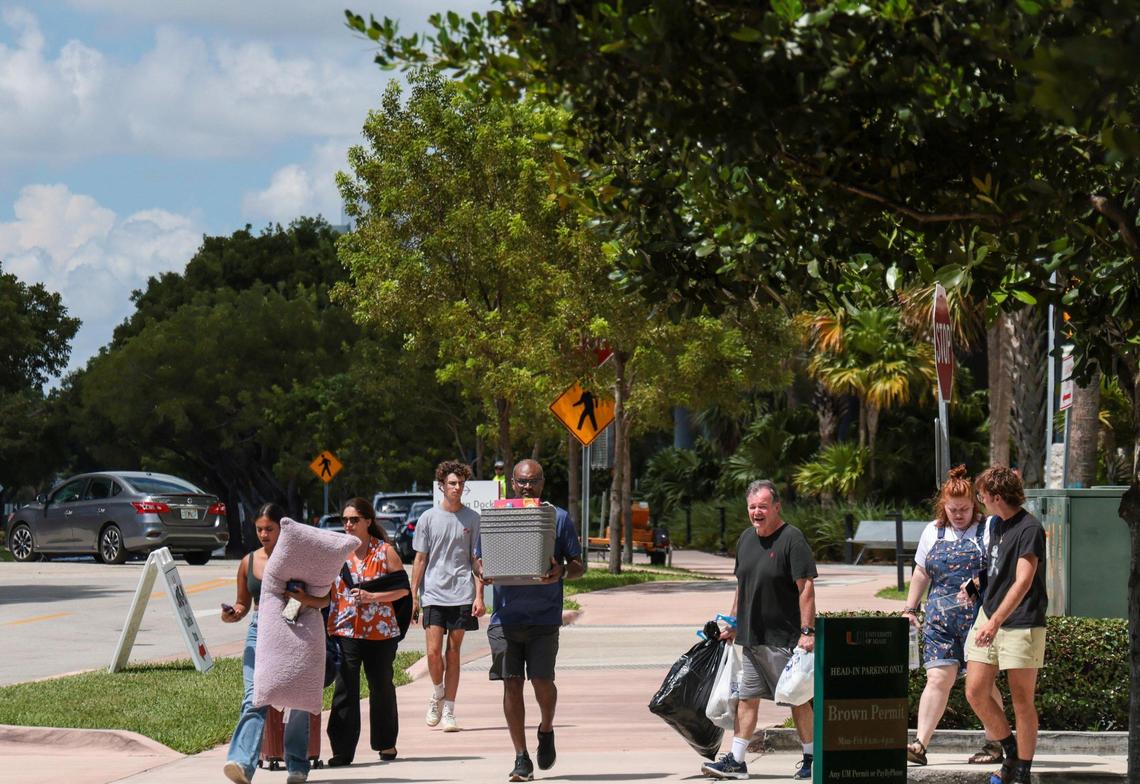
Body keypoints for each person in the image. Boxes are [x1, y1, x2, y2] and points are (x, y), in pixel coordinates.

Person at [475, 459, 584, 782]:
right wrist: (482, 574)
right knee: (511, 683)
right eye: (522, 481)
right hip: (505, 618)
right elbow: (478, 562)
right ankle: (521, 757)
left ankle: (546, 728)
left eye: (533, 481)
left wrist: (561, 571)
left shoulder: (558, 518)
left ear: (542, 483)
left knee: (541, 681)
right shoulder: (494, 516)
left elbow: (578, 565)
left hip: (543, 617)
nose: (526, 487)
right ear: (511, 482)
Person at [702, 480, 816, 781]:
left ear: (776, 507)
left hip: (783, 639)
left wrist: (808, 631)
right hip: (751, 639)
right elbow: (743, 586)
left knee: (798, 699)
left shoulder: (793, 539)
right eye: (752, 507)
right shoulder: (746, 540)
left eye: (763, 506)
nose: (757, 512)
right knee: (747, 698)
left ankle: (812, 758)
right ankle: (737, 761)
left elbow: (806, 588)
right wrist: (732, 623)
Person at [902, 465, 1005, 766]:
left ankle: (995, 743)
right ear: (943, 506)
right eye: (953, 509)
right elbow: (921, 572)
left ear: (975, 504)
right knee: (937, 678)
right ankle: (920, 744)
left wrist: (977, 583)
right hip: (940, 620)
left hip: (979, 619)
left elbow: (1000, 568)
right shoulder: (932, 531)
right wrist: (910, 607)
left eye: (965, 508)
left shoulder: (989, 528)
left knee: (983, 683)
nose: (959, 514)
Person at [222, 503, 329, 784]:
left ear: (282, 528)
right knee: (254, 697)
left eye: (269, 528)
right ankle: (242, 764)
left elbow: (326, 599)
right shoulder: (248, 561)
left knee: (298, 701)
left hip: (296, 627)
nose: (264, 534)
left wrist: (305, 600)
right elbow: (243, 604)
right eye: (259, 529)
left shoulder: (299, 559)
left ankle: (297, 766)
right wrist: (232, 614)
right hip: (260, 630)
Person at [964, 467, 1047, 784]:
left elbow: (1024, 581)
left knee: (1021, 699)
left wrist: (995, 622)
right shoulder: (994, 524)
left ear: (996, 497)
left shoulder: (1030, 529)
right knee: (975, 692)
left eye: (982, 495)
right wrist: (973, 588)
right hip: (990, 616)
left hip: (1021, 620)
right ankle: (1011, 752)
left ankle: (1021, 770)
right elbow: (996, 570)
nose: (980, 500)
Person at [326, 497, 410, 767]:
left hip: (380, 633)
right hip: (345, 629)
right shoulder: (337, 552)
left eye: (354, 520)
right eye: (345, 520)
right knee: (345, 687)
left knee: (381, 687)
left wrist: (373, 597)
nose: (348, 525)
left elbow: (402, 590)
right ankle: (342, 750)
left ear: (368, 522)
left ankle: (386, 743)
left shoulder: (385, 551)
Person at [411, 460, 484, 732]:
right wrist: (414, 596)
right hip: (433, 593)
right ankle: (438, 693)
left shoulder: (473, 519)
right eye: (452, 483)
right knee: (432, 654)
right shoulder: (428, 518)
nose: (457, 488)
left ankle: (450, 710)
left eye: (461, 484)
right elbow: (420, 559)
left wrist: (480, 595)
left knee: (453, 654)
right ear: (442, 486)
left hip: (462, 594)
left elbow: (476, 560)